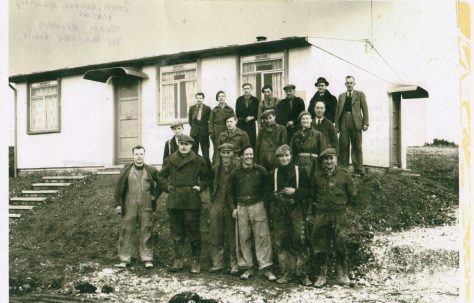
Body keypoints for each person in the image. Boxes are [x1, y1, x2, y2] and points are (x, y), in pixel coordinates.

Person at [159, 134, 210, 274]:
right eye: (181, 144)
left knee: (193, 231)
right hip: (175, 199)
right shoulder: (170, 160)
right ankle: (178, 260)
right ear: (178, 144)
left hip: (191, 200)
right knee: (177, 230)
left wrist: (200, 187)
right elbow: (160, 176)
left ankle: (196, 261)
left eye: (187, 144)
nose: (184, 147)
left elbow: (207, 177)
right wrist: (167, 187)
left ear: (191, 146)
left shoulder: (198, 160)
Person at [307, 148, 356, 287]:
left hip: (339, 214)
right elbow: (312, 195)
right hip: (321, 214)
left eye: (331, 158)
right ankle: (322, 275)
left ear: (336, 159)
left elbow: (352, 195)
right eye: (326, 159)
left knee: (340, 244)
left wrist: (345, 209)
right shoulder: (317, 176)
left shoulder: (344, 175)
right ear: (322, 161)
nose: (329, 161)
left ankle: (343, 274)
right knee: (321, 245)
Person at [227, 146, 277, 281]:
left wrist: (264, 205)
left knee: (262, 237)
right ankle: (246, 267)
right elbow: (229, 193)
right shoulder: (235, 173)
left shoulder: (261, 171)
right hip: (241, 207)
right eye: (246, 154)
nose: (249, 157)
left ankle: (266, 268)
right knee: (244, 238)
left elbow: (267, 190)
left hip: (258, 205)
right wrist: (233, 208)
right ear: (242, 156)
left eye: (251, 154)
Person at [114, 145, 162, 269]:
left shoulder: (151, 170)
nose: (139, 157)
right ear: (133, 155)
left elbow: (162, 183)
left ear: (144, 155)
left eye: (141, 154)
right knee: (126, 230)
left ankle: (147, 259)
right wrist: (118, 204)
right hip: (129, 203)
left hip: (146, 204)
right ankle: (124, 259)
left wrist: (154, 196)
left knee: (146, 230)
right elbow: (118, 188)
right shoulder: (126, 170)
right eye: (136, 154)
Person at [269, 144, 312, 286]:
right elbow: (266, 193)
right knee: (282, 241)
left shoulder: (301, 171)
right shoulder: (273, 173)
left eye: (286, 155)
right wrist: (275, 196)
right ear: (278, 158)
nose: (284, 158)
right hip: (280, 212)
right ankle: (287, 272)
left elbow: (310, 191)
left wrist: (296, 192)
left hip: (297, 210)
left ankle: (303, 274)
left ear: (291, 156)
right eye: (281, 156)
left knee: (300, 240)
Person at [208, 143, 239, 275]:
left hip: (231, 203)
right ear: (220, 154)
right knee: (216, 232)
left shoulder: (237, 168)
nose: (226, 155)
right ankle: (217, 262)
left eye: (228, 153)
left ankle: (235, 264)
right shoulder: (215, 168)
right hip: (218, 202)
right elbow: (211, 185)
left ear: (232, 154)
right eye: (223, 153)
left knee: (233, 234)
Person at [334, 75, 369, 175]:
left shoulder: (360, 94)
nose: (349, 85)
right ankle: (343, 169)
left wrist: (366, 123)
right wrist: (337, 125)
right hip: (344, 121)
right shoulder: (341, 96)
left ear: (354, 83)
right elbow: (337, 112)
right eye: (347, 83)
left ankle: (358, 169)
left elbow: (365, 110)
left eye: (351, 83)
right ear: (345, 84)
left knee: (357, 146)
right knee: (343, 146)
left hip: (356, 122)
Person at [290, 111, 326, 177]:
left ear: (311, 120)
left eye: (307, 118)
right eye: (303, 119)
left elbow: (323, 152)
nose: (305, 120)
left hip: (313, 163)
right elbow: (292, 151)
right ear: (300, 121)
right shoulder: (296, 135)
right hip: (299, 163)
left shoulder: (318, 135)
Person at [188, 92, 211, 166]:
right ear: (196, 98)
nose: (199, 99)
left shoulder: (207, 108)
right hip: (194, 133)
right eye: (197, 98)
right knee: (194, 153)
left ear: (203, 99)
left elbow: (209, 120)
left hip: (204, 133)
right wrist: (195, 128)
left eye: (201, 98)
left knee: (206, 154)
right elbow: (190, 121)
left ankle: (207, 171)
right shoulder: (192, 108)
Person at [235, 83, 259, 148]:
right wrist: (245, 118)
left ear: (251, 89)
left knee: (251, 142)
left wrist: (252, 117)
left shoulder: (255, 100)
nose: (246, 90)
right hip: (241, 124)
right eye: (244, 89)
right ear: (243, 90)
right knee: (240, 142)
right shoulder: (239, 100)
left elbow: (258, 113)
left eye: (248, 88)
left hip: (251, 125)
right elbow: (237, 113)